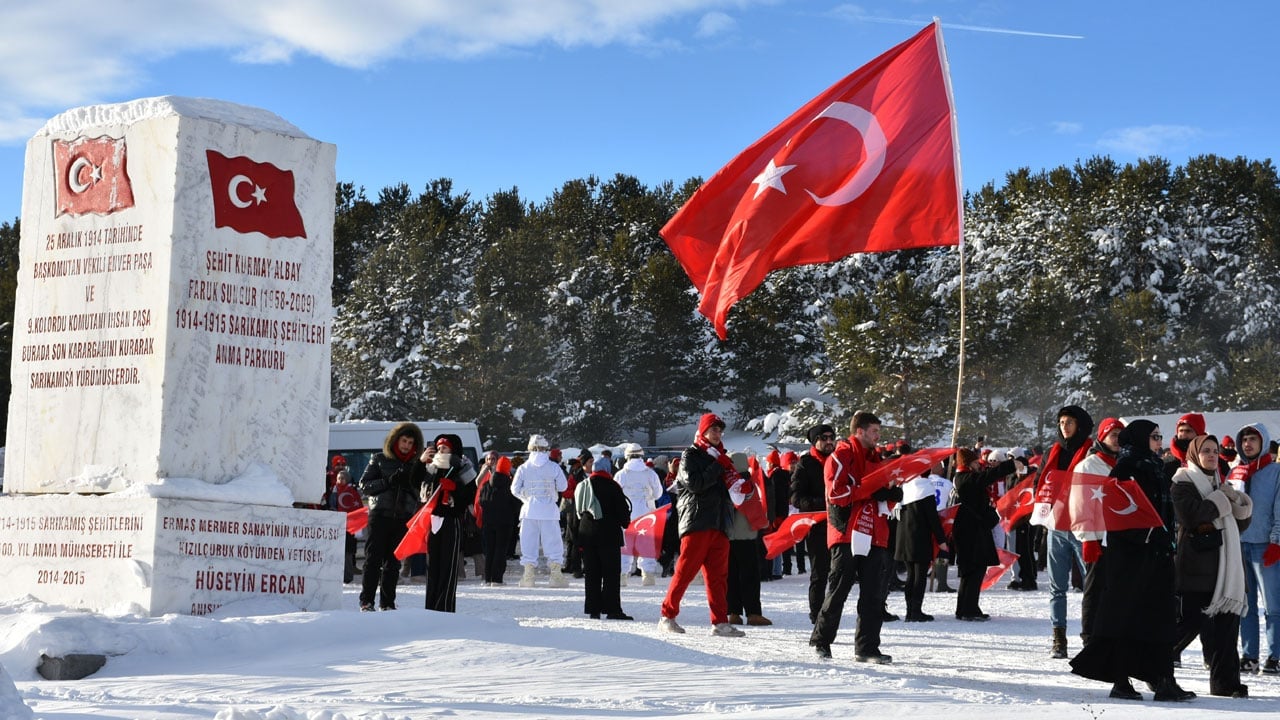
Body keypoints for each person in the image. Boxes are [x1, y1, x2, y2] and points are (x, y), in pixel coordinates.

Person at [1069, 420, 1195, 702]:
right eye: (1154, 436)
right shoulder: (1126, 468)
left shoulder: (1154, 465)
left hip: (1157, 555)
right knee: (1126, 618)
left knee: (1159, 618)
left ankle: (1163, 679)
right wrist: (1149, 534)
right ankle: (1121, 680)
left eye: (1160, 436)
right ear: (1139, 438)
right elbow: (1118, 512)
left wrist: (1164, 539)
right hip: (1131, 557)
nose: (1159, 441)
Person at [810, 411, 895, 663]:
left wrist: (892, 495)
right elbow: (836, 494)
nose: (878, 437)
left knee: (874, 594)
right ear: (860, 431)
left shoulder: (877, 458)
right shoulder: (841, 455)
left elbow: (881, 490)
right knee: (838, 590)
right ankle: (822, 641)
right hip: (847, 531)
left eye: (879, 432)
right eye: (874, 432)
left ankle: (867, 648)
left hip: (875, 532)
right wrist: (871, 492)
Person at [1172, 433, 1252, 697]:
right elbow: (1191, 515)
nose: (1211, 455)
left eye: (1215, 451)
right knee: (1189, 624)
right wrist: (1220, 501)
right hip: (1197, 566)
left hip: (1226, 567)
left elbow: (1237, 526)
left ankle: (1225, 683)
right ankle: (1154, 666)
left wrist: (1239, 505)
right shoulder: (1182, 482)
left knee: (1226, 628)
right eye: (1205, 450)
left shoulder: (1220, 483)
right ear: (1195, 454)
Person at [657, 413, 745, 637]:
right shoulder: (691, 455)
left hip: (719, 523)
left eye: (719, 430)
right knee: (685, 571)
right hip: (697, 521)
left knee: (718, 577)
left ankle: (720, 622)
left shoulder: (722, 458)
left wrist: (739, 482)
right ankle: (667, 616)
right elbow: (695, 484)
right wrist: (718, 465)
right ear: (703, 432)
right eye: (713, 429)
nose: (717, 434)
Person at [1033, 405, 1095, 659]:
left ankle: (1090, 636)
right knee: (1057, 586)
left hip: (1083, 526)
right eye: (1060, 422)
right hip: (1056, 526)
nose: (1064, 427)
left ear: (1080, 425)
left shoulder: (1091, 451)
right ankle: (1059, 638)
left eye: (1069, 422)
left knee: (1091, 585)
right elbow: (1039, 482)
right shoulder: (1053, 452)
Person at [357, 422, 425, 611]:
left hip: (402, 517)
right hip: (379, 515)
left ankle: (387, 603)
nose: (406, 445)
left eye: (410, 442)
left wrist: (409, 485)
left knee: (393, 563)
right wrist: (389, 481)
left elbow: (421, 491)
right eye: (404, 441)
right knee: (373, 560)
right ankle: (366, 601)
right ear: (396, 440)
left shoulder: (415, 465)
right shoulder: (379, 459)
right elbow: (364, 486)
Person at [1231, 423, 1280, 675]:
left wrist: (1276, 541)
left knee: (1274, 605)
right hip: (1239, 545)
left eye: (1253, 439)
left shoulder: (1275, 472)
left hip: (1266, 546)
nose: (1248, 443)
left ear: (1264, 442)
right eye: (1245, 439)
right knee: (1244, 605)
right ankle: (1249, 655)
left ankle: (1277, 655)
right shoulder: (1236, 472)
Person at [1071, 417, 1125, 645]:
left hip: (1120, 537)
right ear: (1102, 437)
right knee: (1094, 589)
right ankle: (1089, 636)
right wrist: (1088, 538)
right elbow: (1080, 505)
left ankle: (1110, 633)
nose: (1117, 440)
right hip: (1098, 537)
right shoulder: (1088, 465)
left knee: (1117, 589)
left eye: (1121, 435)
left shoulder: (1123, 463)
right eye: (1113, 435)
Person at [951, 447, 1015, 621]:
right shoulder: (965, 478)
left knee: (971, 571)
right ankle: (968, 609)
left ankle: (965, 607)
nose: (978, 465)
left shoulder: (963, 477)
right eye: (975, 462)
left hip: (972, 530)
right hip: (971, 531)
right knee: (974, 570)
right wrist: (1010, 465)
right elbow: (987, 477)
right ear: (968, 463)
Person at [420, 434, 478, 612]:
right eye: (438, 447)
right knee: (433, 567)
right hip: (433, 520)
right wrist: (420, 462)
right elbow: (415, 482)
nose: (440, 450)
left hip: (452, 519)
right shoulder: (431, 467)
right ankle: (431, 608)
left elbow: (470, 495)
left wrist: (456, 489)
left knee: (448, 566)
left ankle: (444, 607)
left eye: (444, 447)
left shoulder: (462, 466)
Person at [575, 456, 634, 620]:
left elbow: (578, 511)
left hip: (586, 533)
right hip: (608, 535)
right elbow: (622, 512)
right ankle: (612, 609)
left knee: (592, 573)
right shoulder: (612, 486)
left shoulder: (583, 485)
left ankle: (593, 609)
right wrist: (625, 522)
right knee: (611, 573)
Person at [790, 423, 837, 624]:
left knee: (841, 573)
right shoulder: (806, 463)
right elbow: (796, 498)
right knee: (820, 573)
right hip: (818, 526)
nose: (829, 441)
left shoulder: (838, 459)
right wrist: (824, 502)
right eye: (824, 438)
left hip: (840, 524)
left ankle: (832, 611)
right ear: (815, 441)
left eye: (831, 437)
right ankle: (817, 615)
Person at [512, 434, 570, 588]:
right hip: (549, 511)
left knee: (528, 543)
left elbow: (514, 489)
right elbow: (563, 487)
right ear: (546, 449)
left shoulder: (523, 467)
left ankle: (528, 577)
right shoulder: (553, 467)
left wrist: (527, 497)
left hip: (529, 511)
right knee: (553, 544)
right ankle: (556, 576)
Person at [895, 467, 947, 621]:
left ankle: (910, 610)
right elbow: (933, 518)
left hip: (903, 537)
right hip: (919, 537)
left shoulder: (905, 487)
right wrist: (941, 540)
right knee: (920, 576)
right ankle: (916, 611)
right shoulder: (926, 488)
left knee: (910, 575)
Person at [725, 452, 771, 626]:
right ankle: (753, 613)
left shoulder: (726, 482)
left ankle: (733, 612)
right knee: (750, 575)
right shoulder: (749, 483)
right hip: (747, 535)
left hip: (729, 536)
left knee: (732, 575)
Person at [615, 443, 665, 586]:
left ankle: (623, 575)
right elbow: (658, 494)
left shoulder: (621, 474)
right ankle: (647, 575)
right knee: (646, 544)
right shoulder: (650, 473)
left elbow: (615, 495)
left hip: (627, 514)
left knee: (625, 545)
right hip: (646, 513)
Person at [475, 452, 518, 585]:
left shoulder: (487, 484)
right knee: (501, 550)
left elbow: (481, 501)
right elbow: (516, 504)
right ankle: (497, 578)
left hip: (488, 522)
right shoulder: (510, 486)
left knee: (490, 551)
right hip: (505, 523)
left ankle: (488, 578)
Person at [328, 466, 363, 583]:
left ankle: (347, 576)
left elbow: (358, 507)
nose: (340, 480)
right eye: (338, 478)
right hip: (337, 525)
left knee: (348, 552)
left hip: (350, 526)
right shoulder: (333, 491)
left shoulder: (352, 492)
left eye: (343, 478)